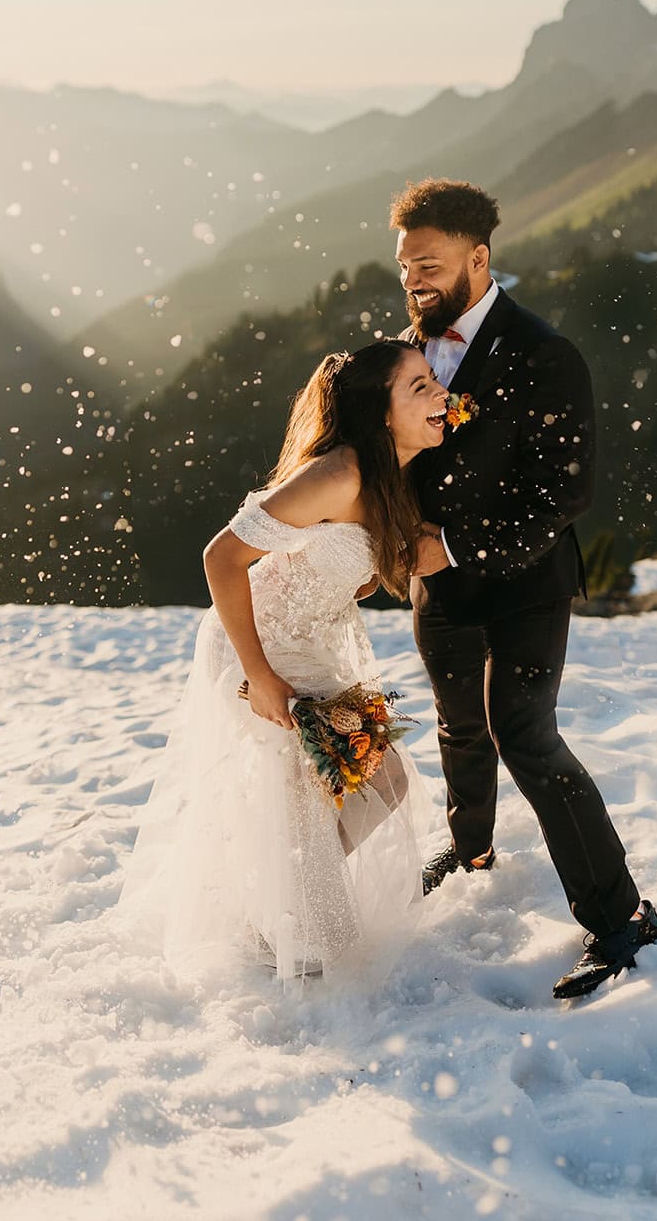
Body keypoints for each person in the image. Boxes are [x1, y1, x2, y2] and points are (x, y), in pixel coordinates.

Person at [392, 178, 657, 1000]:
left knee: (525, 736)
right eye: (405, 266)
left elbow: (565, 492)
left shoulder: (545, 354)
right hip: (435, 586)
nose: (415, 282)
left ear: (479, 259)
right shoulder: (405, 351)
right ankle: (469, 845)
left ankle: (622, 919)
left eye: (431, 266)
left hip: (524, 582)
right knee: (457, 725)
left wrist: (455, 546)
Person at [115, 340, 445, 987]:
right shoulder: (339, 474)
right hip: (256, 647)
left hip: (310, 643)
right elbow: (220, 558)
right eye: (420, 387)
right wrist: (260, 676)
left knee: (382, 782)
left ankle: (272, 898)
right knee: (308, 790)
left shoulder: (386, 479)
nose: (441, 396)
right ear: (380, 414)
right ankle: (289, 937)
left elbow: (340, 565)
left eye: (434, 382)